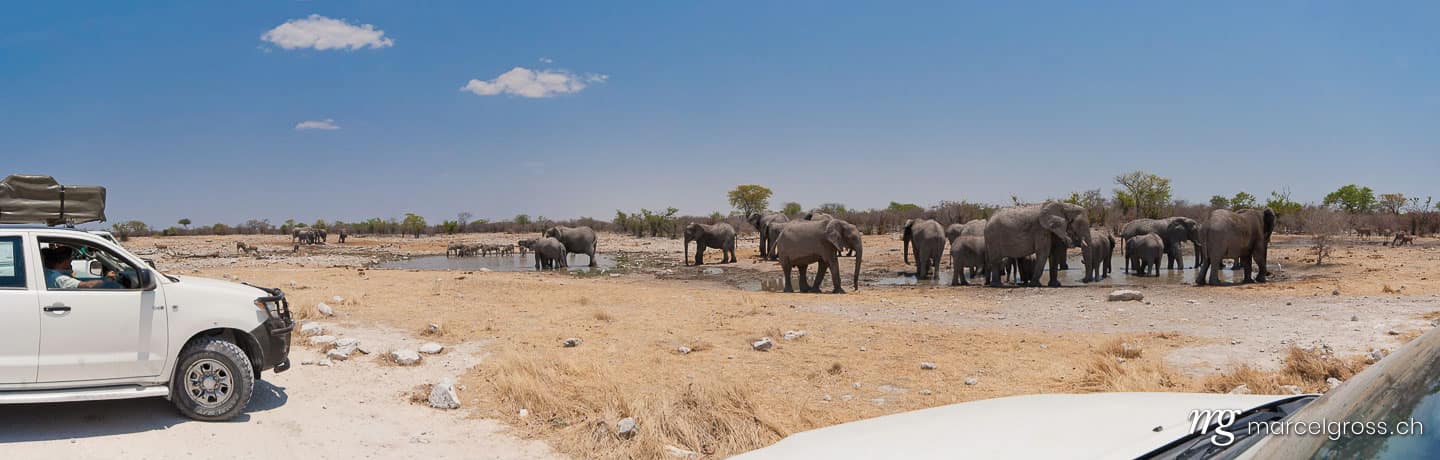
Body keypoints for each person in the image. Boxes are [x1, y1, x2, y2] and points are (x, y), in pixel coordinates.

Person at [41, 246, 117, 289]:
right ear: (63, 262)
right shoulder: (59, 278)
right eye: (70, 262)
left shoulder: (46, 272)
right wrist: (107, 280)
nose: (71, 265)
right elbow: (88, 285)